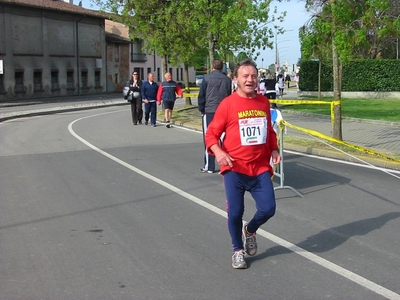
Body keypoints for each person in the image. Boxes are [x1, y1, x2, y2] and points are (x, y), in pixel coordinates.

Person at [205, 58, 281, 269]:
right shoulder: (227, 104)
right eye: (245, 76)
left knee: (268, 209)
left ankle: (250, 230)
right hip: (234, 169)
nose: (250, 80)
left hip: (259, 168)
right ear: (236, 79)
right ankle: (237, 250)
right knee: (235, 213)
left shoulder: (263, 103)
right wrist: (218, 152)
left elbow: (269, 131)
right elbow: (211, 134)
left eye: (253, 76)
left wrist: (274, 149)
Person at [198, 59, 232, 173]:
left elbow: (201, 95)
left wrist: (201, 109)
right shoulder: (227, 80)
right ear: (222, 67)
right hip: (223, 111)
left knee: (209, 138)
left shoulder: (206, 78)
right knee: (224, 138)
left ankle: (209, 166)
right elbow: (229, 96)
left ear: (212, 66)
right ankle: (227, 163)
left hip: (210, 111)